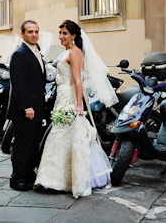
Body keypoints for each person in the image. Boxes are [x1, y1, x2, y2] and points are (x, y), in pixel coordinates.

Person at [35, 20, 116, 198]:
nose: (61, 36)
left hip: (70, 98)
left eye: (65, 33)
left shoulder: (74, 53)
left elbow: (78, 81)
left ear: (73, 35)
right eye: (60, 33)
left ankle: (64, 179)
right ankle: (55, 178)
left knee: (69, 135)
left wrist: (78, 105)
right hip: (62, 97)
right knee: (61, 135)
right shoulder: (68, 51)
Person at [7, 20, 46, 192]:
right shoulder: (19, 54)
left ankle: (29, 174)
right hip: (25, 110)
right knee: (22, 145)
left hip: (37, 108)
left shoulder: (35, 51)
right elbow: (18, 84)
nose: (34, 35)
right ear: (22, 34)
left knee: (33, 144)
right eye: (30, 32)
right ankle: (17, 179)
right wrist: (26, 107)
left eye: (36, 31)